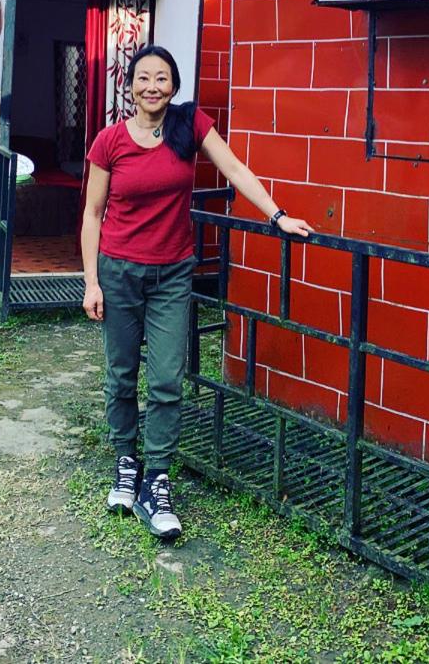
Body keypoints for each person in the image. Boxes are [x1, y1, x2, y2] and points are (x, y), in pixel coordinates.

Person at [81, 44, 312, 540]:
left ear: (174, 85)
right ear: (130, 85)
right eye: (144, 77)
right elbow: (92, 214)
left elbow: (235, 169)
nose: (152, 86)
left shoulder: (190, 126)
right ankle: (126, 462)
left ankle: (156, 479)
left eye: (162, 78)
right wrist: (92, 281)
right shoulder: (109, 141)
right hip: (119, 271)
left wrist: (277, 216)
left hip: (171, 274)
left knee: (167, 378)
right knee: (121, 373)